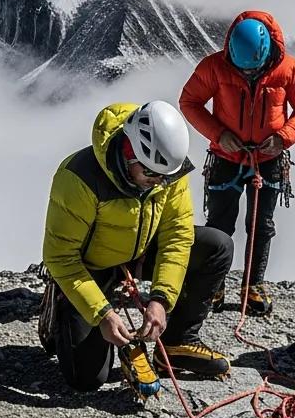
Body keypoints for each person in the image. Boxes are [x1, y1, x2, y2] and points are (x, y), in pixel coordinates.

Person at [41, 101, 232, 394]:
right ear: (130, 155)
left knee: (217, 246)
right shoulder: (79, 178)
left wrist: (161, 300)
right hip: (90, 267)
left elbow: (176, 236)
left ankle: (178, 340)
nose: (159, 183)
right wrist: (102, 314)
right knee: (86, 378)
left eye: (164, 177)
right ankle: (61, 309)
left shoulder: (166, 172)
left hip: (142, 249)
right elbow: (60, 256)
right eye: (152, 176)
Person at [180, 11, 295, 316]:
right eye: (243, 70)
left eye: (254, 70)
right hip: (229, 156)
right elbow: (189, 102)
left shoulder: (288, 70)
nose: (248, 75)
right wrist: (219, 134)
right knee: (220, 226)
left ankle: (252, 284)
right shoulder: (216, 67)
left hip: (264, 157)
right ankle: (214, 284)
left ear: (267, 54)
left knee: (261, 225)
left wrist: (283, 138)